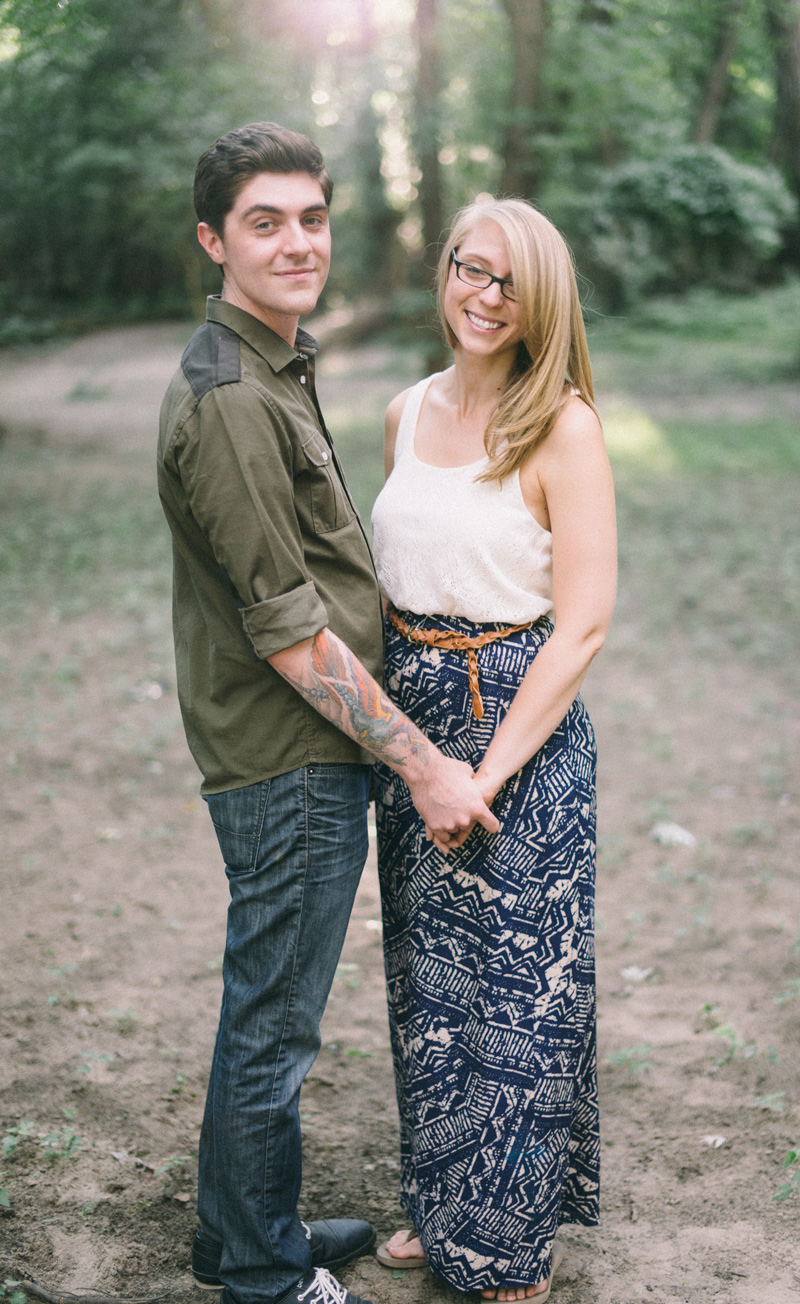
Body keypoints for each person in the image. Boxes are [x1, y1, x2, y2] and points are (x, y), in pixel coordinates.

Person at [157, 123, 499, 1304]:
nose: (296, 240)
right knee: (275, 1025)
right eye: (264, 221)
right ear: (213, 239)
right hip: (289, 756)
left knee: (266, 1007)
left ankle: (233, 1228)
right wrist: (422, 767)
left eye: (310, 216)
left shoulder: (272, 367)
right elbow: (293, 631)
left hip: (303, 752)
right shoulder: (228, 401)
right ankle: (260, 1273)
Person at [370, 198, 617, 1301]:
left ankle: (509, 1248)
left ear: (540, 303)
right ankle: (443, 1202)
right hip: (415, 725)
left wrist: (488, 768)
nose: (482, 294)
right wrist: (417, 755)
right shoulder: (400, 411)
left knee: (521, 993)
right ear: (445, 271)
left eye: (509, 282)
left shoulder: (557, 422)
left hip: (519, 724)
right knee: (429, 984)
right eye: (470, 268)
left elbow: (584, 623)